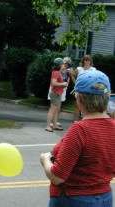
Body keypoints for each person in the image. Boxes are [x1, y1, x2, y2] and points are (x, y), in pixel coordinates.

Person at [40, 70, 115, 207]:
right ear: (107, 96)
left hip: (73, 199)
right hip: (104, 198)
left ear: (80, 99)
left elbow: (57, 177)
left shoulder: (80, 130)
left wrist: (45, 159)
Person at [45, 58, 68, 132]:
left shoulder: (57, 72)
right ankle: (48, 126)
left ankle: (54, 125)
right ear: (59, 65)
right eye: (62, 64)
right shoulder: (56, 72)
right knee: (52, 110)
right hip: (55, 94)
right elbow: (53, 83)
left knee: (56, 110)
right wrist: (63, 84)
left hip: (57, 94)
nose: (63, 65)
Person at [71, 55, 97, 121]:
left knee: (86, 105)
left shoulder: (93, 69)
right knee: (77, 105)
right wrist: (76, 83)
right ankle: (75, 121)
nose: (87, 61)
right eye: (85, 60)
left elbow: (96, 78)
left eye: (88, 60)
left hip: (89, 89)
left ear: (90, 61)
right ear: (83, 61)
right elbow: (72, 74)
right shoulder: (79, 69)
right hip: (79, 89)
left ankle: (84, 121)